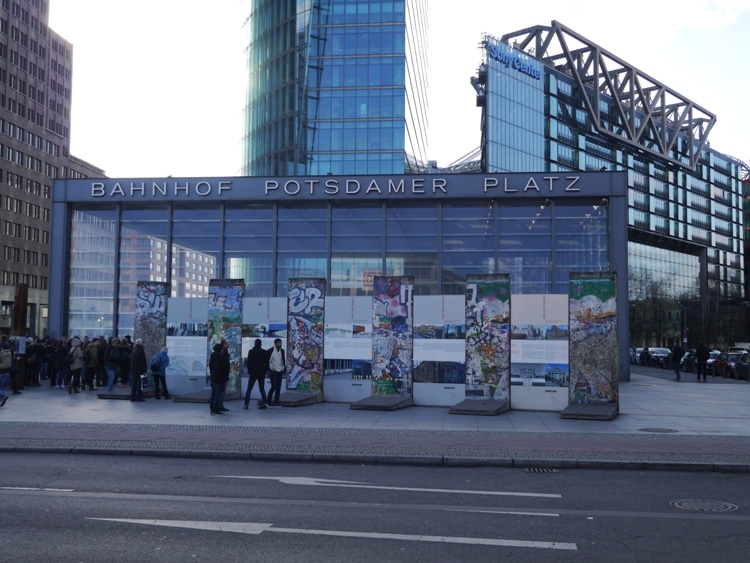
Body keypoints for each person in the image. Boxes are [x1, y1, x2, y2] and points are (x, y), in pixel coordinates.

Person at [244, 338, 268, 410]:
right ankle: (264, 403)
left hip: (253, 373)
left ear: (254, 344)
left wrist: (250, 371)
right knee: (262, 389)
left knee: (249, 389)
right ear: (261, 344)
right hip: (261, 373)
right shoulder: (264, 352)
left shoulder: (251, 352)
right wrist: (264, 371)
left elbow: (249, 363)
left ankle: (246, 404)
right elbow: (266, 363)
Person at [208, 342, 229, 415]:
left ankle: (212, 408)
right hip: (220, 378)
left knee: (213, 394)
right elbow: (225, 368)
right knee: (218, 394)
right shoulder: (221, 356)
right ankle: (216, 408)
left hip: (213, 378)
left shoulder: (212, 356)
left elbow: (210, 366)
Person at [266, 338, 286, 407]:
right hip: (273, 371)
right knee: (273, 386)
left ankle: (276, 402)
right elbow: (267, 361)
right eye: (279, 343)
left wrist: (283, 368)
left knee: (278, 388)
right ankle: (268, 401)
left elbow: (282, 360)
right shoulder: (270, 351)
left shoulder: (282, 351)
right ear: (275, 344)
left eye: (281, 343)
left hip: (280, 371)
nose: (280, 345)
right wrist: (270, 368)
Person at [129, 338, 148, 402]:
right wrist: (144, 370)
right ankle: (139, 397)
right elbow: (142, 362)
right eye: (143, 342)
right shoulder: (140, 350)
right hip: (139, 370)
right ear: (140, 343)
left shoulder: (134, 349)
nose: (143, 344)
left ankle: (132, 397)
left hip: (134, 369)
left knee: (134, 384)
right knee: (140, 384)